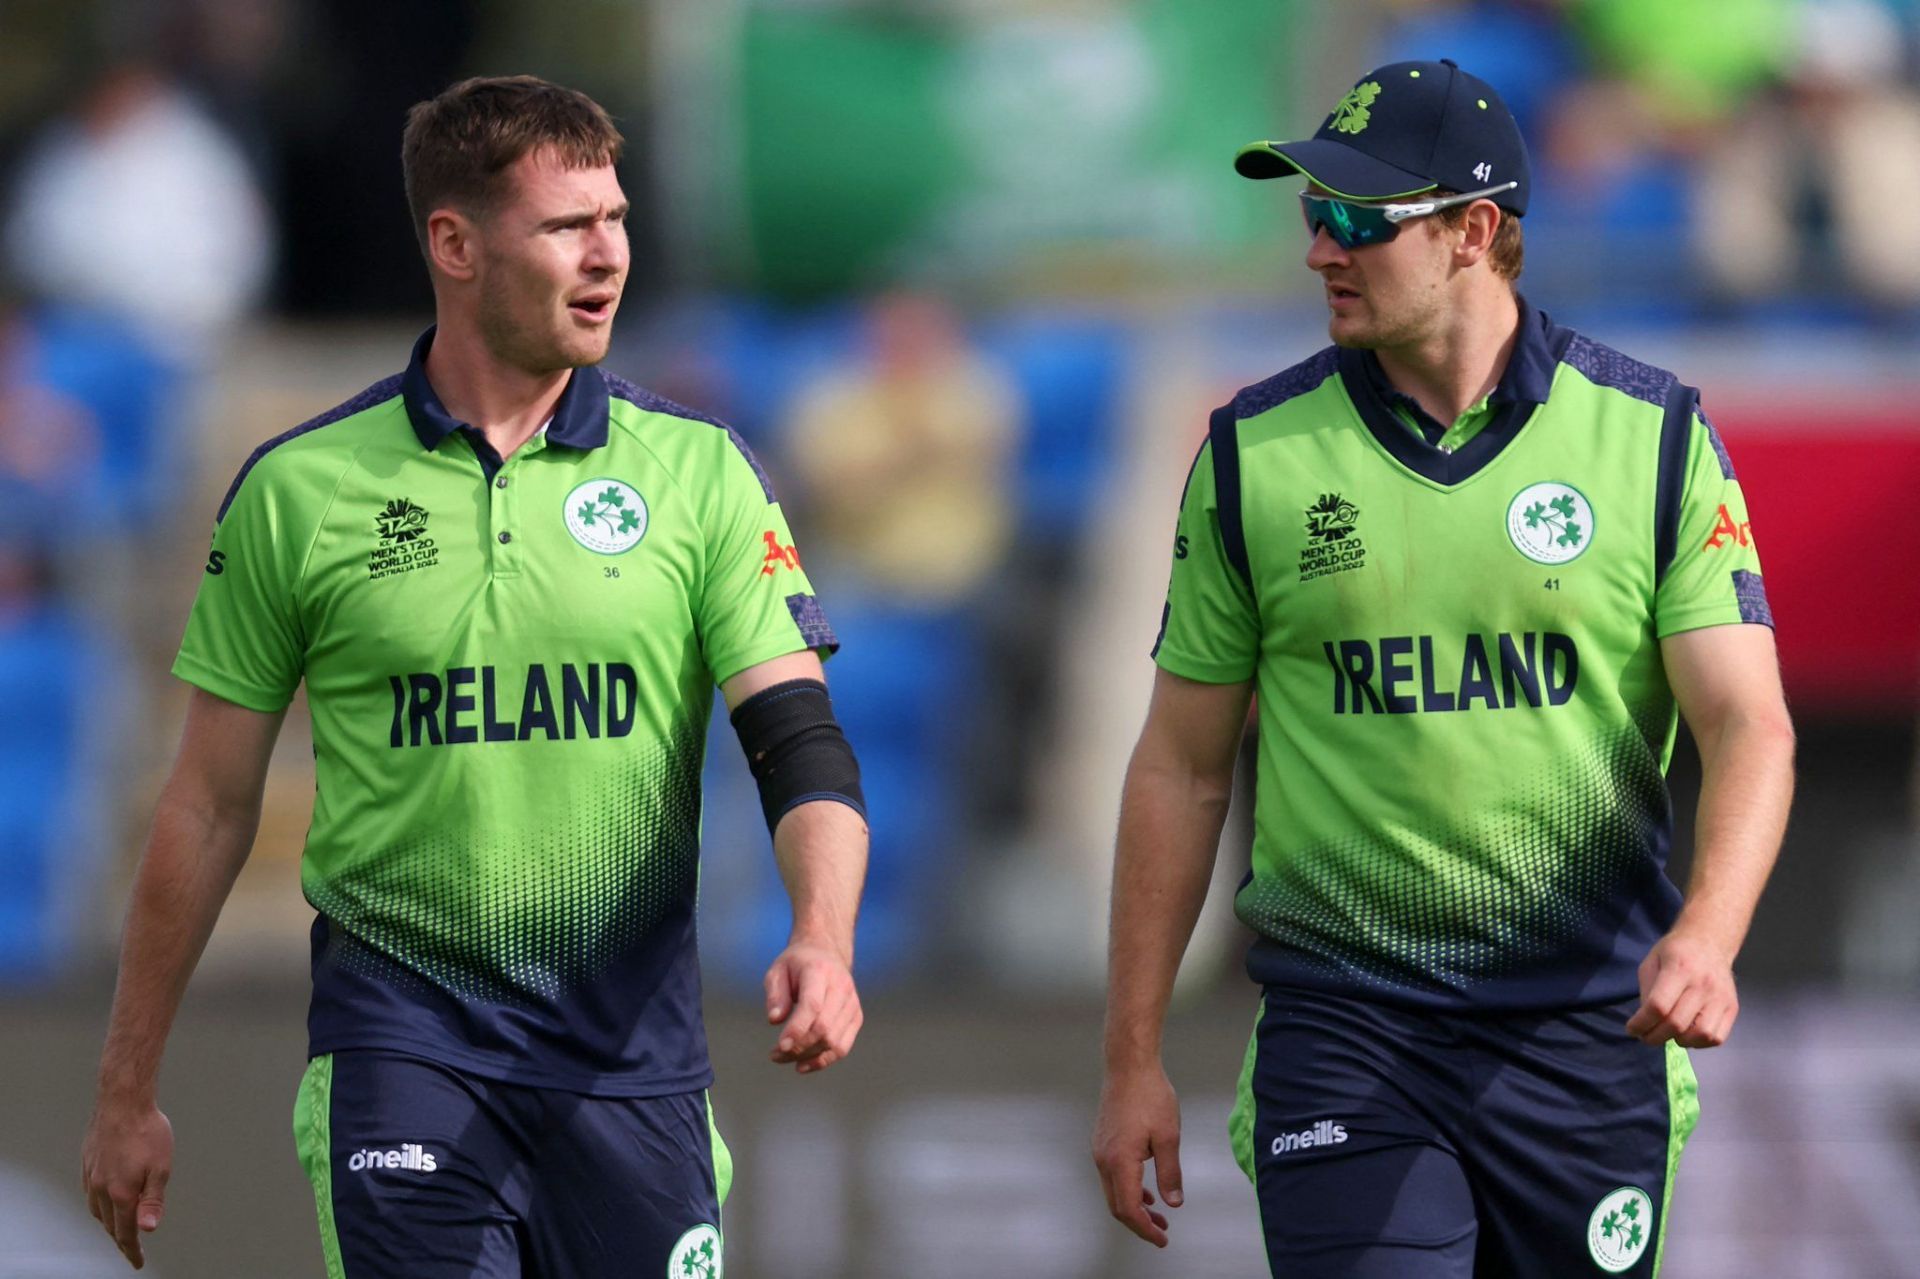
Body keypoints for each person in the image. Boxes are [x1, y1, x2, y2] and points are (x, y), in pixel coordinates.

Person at [79, 75, 869, 1278]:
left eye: (615, 220)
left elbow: (799, 739)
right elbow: (206, 802)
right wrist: (127, 1086)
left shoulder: (702, 472)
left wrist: (823, 932)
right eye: (566, 227)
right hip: (405, 1052)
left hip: (633, 1072)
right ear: (454, 242)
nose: (609, 255)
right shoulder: (301, 490)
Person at [1092, 59, 1793, 1276]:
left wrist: (1709, 938)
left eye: (1361, 219)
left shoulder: (1656, 437)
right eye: (1314, 215)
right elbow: (1182, 767)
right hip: (1348, 1032)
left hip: (1588, 1036)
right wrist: (1132, 1053)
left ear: (1477, 231)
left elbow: (1750, 728)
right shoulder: (1252, 454)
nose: (1322, 250)